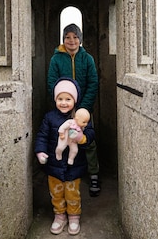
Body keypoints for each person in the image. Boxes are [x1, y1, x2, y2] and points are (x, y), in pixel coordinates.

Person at [47, 23, 101, 197]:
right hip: (63, 107)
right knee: (64, 138)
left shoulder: (87, 59)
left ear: (80, 39)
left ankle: (93, 173)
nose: (72, 40)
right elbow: (51, 83)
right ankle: (66, 171)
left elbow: (93, 83)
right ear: (63, 39)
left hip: (83, 109)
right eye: (68, 37)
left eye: (75, 37)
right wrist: (63, 103)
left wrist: (83, 107)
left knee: (88, 140)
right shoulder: (56, 59)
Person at [35, 77, 95, 235]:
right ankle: (59, 215)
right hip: (53, 165)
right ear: (55, 99)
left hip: (74, 165)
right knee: (56, 192)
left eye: (68, 99)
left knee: (72, 192)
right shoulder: (49, 118)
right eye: (60, 99)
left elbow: (90, 133)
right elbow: (42, 136)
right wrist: (40, 152)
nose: (63, 102)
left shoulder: (80, 117)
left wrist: (82, 138)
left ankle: (74, 216)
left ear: (74, 100)